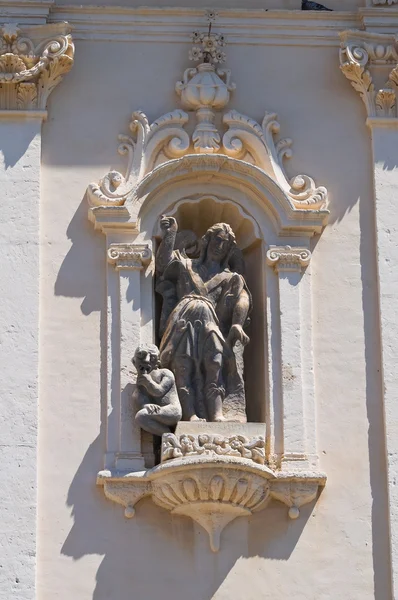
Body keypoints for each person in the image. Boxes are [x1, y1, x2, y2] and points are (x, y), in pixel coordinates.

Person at [156, 215, 251, 422]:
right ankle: (189, 414)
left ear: (229, 250)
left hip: (211, 324)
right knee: (183, 366)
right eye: (217, 239)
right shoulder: (185, 264)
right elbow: (162, 265)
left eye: (225, 244)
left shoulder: (230, 277)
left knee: (215, 364)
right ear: (207, 240)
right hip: (183, 321)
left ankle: (217, 413)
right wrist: (170, 234)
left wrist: (237, 323)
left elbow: (242, 299)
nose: (220, 246)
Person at [133, 343, 182, 436]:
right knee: (140, 417)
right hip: (158, 410)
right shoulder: (141, 379)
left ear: (157, 363)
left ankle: (168, 435)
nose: (144, 368)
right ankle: (167, 434)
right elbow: (138, 396)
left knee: (141, 415)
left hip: (172, 410)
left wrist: (149, 382)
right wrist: (145, 405)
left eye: (151, 359)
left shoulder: (165, 373)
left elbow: (159, 391)